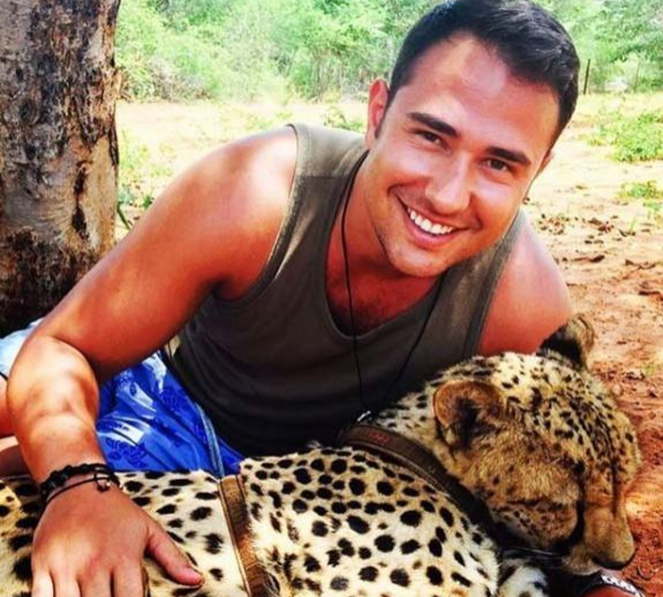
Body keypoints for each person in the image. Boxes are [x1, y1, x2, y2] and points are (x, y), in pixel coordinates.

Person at [0, 0, 639, 596]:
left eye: (499, 163)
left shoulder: (525, 302)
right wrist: (77, 486)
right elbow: (65, 347)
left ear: (538, 170)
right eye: (431, 136)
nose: (447, 195)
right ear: (377, 113)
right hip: (165, 396)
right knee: (26, 413)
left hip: (312, 497)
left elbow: (567, 493)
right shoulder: (252, 190)